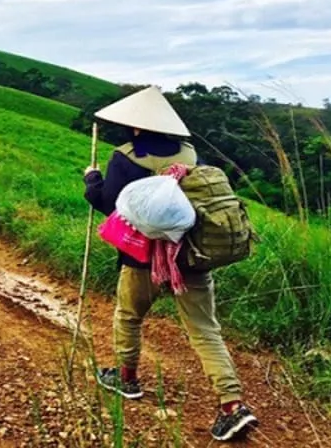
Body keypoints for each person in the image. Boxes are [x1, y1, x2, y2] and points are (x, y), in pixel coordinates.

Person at [82, 86, 258, 442]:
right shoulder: (190, 153)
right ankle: (232, 405)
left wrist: (91, 180)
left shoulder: (126, 157)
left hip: (142, 258)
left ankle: (127, 379)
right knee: (205, 331)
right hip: (192, 256)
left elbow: (110, 205)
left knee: (129, 315)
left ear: (134, 126)